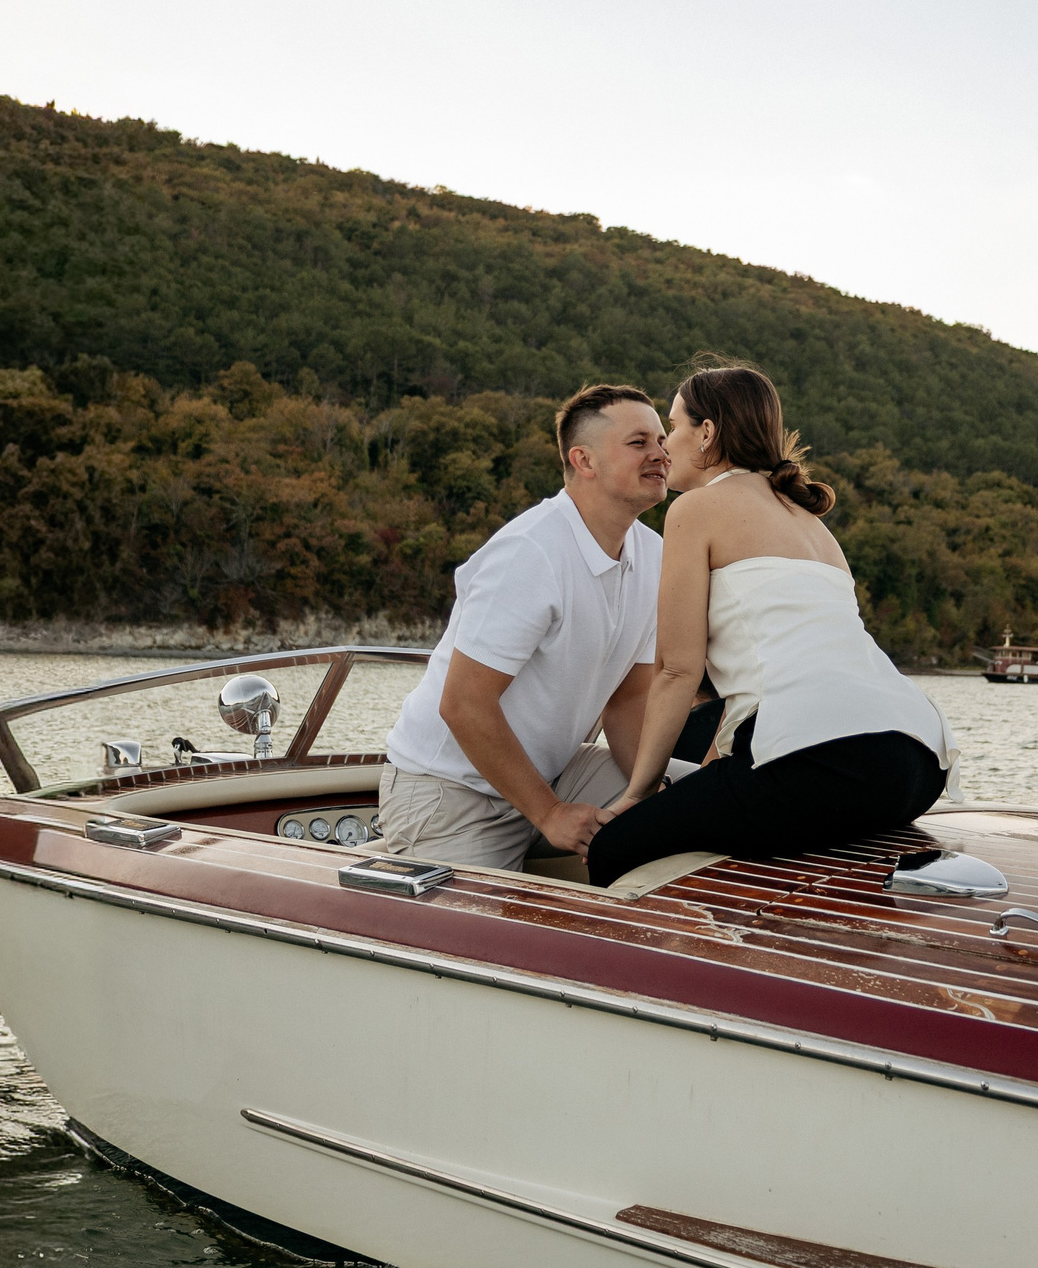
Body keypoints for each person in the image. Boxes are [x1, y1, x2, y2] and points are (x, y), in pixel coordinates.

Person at [586, 362, 955, 887]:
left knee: (611, 850)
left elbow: (676, 670)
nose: (665, 445)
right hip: (918, 761)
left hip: (823, 761)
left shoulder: (695, 509)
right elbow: (769, 687)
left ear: (707, 432)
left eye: (673, 427)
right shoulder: (812, 523)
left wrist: (638, 794)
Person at [378, 383, 689, 871]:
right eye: (638, 443)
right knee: (483, 926)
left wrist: (650, 795)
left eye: (661, 441)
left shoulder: (654, 557)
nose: (660, 454)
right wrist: (550, 814)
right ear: (583, 460)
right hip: (451, 793)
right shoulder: (530, 552)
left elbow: (628, 701)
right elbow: (463, 704)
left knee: (707, 807)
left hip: (556, 776)